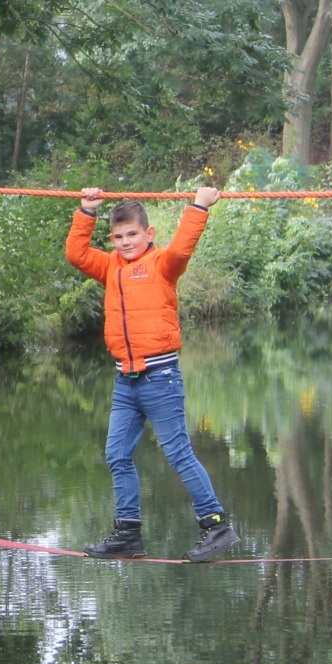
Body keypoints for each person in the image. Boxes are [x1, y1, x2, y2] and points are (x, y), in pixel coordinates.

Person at [66, 185, 241, 562]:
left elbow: (182, 249)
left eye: (132, 235)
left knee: (178, 453)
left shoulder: (163, 264)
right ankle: (128, 534)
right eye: (118, 237)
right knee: (117, 455)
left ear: (149, 235)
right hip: (125, 382)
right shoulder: (110, 266)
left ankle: (217, 526)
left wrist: (199, 206)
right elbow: (76, 254)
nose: (125, 242)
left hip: (160, 378)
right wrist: (87, 210)